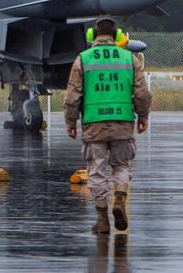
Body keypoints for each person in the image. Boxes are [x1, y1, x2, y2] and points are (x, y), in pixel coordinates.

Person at [64, 17, 151, 234]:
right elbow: (142, 93)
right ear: (116, 35)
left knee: (96, 170)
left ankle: (102, 220)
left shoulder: (83, 59)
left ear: (93, 35)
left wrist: (70, 121)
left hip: (94, 124)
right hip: (123, 122)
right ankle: (119, 199)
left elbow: (72, 95)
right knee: (121, 166)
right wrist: (143, 117)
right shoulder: (129, 58)